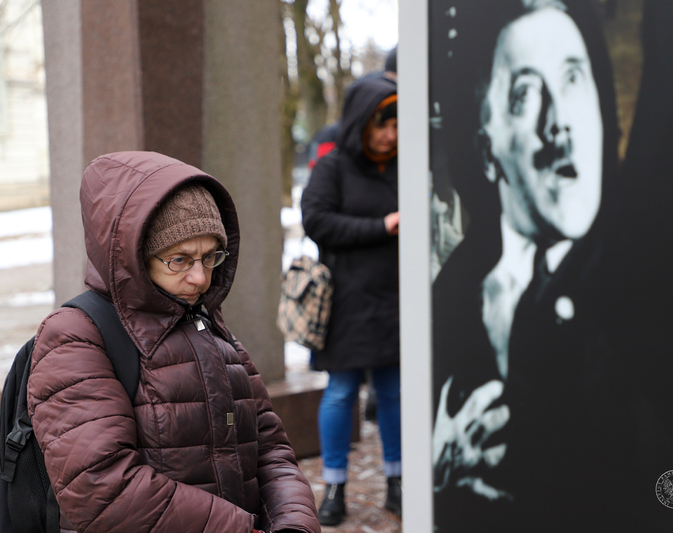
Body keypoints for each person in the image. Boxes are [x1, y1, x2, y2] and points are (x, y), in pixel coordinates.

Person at [27, 151, 320, 533]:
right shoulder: (75, 336)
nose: (200, 278)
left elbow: (271, 451)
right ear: (132, 258)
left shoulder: (206, 324)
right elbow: (101, 488)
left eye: (209, 257)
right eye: (179, 260)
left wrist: (294, 524)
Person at [430, 0, 623, 530]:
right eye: (526, 95)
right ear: (487, 150)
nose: (559, 123)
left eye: (573, 80)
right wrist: (438, 473)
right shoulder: (450, 296)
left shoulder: (646, 272)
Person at [300, 77, 400, 526]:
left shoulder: (403, 165)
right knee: (341, 393)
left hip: (396, 302)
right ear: (362, 123)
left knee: (394, 392)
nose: (391, 136)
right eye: (383, 125)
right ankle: (335, 486)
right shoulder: (334, 166)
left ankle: (398, 480)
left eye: (398, 125)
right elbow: (316, 221)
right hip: (345, 304)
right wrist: (381, 226)